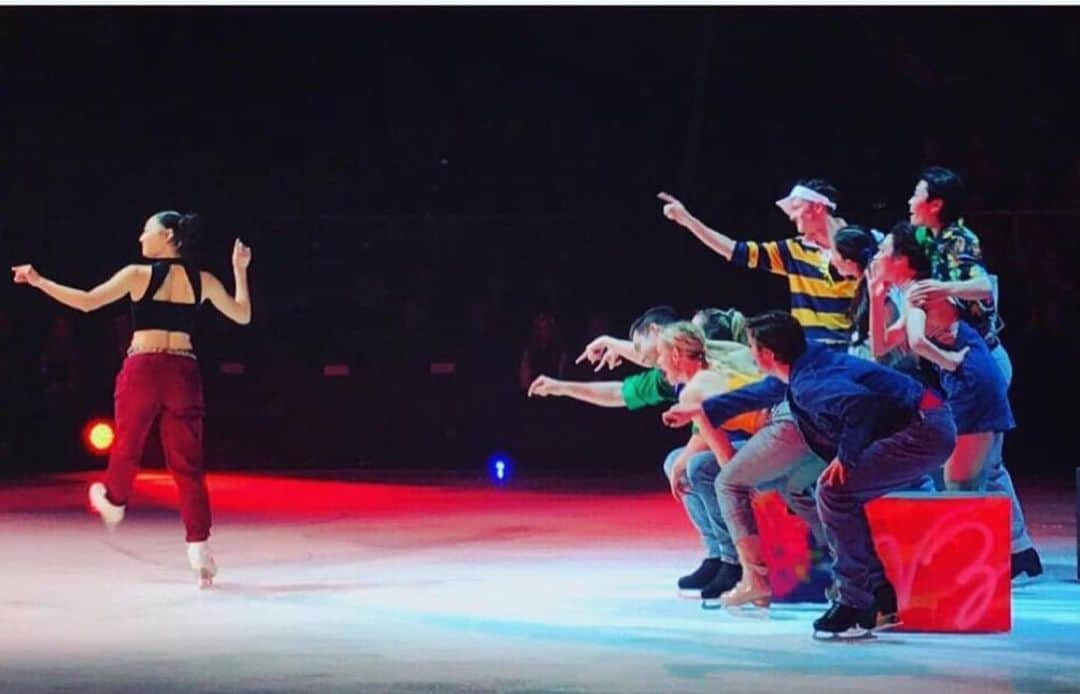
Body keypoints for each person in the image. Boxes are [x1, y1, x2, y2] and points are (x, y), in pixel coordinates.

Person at [12, 211, 253, 588]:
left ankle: (115, 500)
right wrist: (239, 270)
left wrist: (38, 280)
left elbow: (88, 302)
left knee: (127, 443)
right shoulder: (201, 280)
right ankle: (200, 548)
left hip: (144, 368)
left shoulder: (137, 274)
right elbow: (242, 315)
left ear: (168, 236)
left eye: (147, 231)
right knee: (187, 466)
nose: (141, 237)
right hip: (183, 372)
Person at [742, 311, 956, 638]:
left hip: (925, 429)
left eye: (751, 347)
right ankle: (878, 596)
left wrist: (847, 455)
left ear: (768, 355)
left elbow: (861, 405)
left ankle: (857, 605)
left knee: (834, 492)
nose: (748, 353)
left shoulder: (809, 383)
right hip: (926, 420)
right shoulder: (808, 363)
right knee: (833, 491)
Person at [902, 166, 1041, 579]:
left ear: (936, 203)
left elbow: (983, 287)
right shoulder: (926, 240)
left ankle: (995, 557)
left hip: (981, 362)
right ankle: (1019, 551)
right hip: (955, 365)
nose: (910, 200)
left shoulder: (960, 239)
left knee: (977, 467)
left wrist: (943, 290)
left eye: (917, 193)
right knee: (988, 464)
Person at [658, 179, 857, 348]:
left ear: (818, 207)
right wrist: (687, 220)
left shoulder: (865, 242)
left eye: (796, 207)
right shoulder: (793, 250)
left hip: (853, 348)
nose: (791, 215)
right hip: (812, 349)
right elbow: (734, 250)